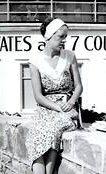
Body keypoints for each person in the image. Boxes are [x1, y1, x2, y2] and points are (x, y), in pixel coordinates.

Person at [26, 17, 83, 174]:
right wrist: (57, 108)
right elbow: (38, 96)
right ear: (49, 37)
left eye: (65, 36)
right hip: (46, 107)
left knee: (54, 129)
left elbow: (79, 86)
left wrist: (71, 102)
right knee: (36, 134)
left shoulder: (69, 57)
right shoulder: (35, 61)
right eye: (60, 36)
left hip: (66, 106)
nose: (64, 40)